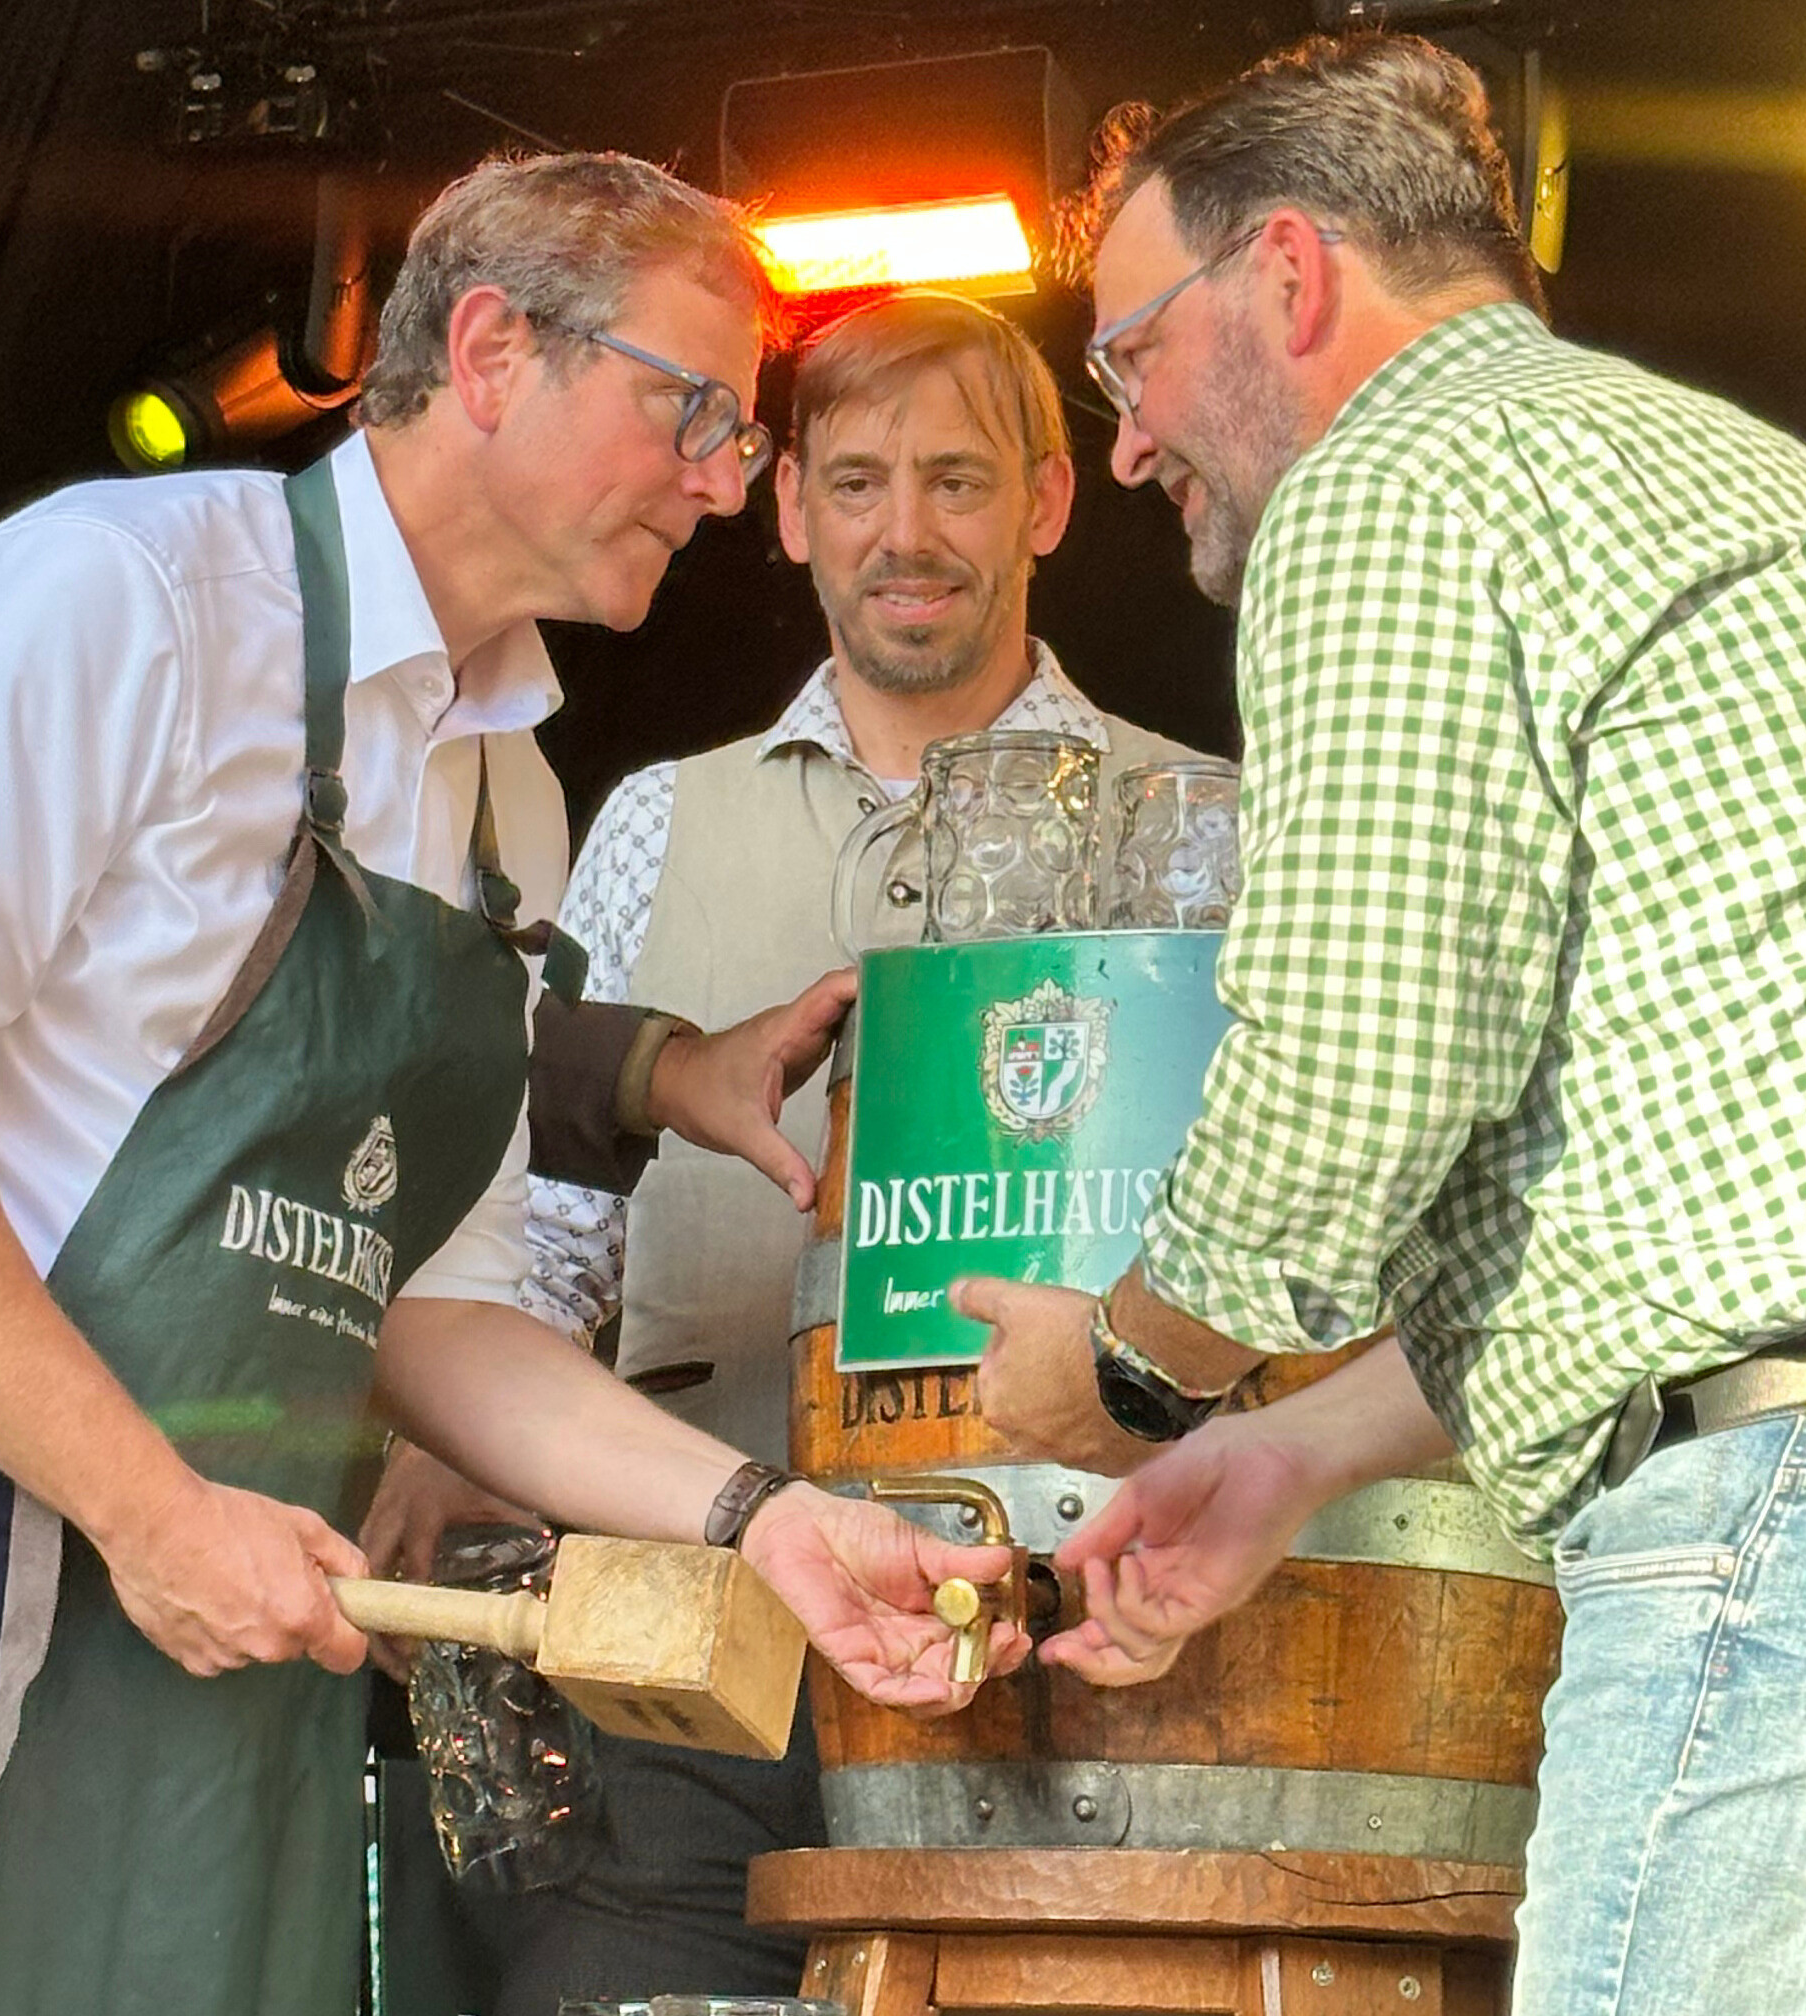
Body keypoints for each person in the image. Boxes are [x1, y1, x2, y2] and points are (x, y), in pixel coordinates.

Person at [0, 150, 1025, 2016]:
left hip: (250, 1560)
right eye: (693, 410)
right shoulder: (124, 601)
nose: (730, 483)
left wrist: (758, 1521)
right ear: (491, 350)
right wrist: (151, 1518)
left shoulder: (511, 796)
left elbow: (439, 1313)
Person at [952, 32, 1806, 2016]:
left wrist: (1137, 1377)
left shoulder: (1395, 480)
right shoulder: (1760, 497)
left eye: (1128, 356)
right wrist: (1288, 1455)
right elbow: (1729, 1219)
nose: (1126, 439)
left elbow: (1355, 1070)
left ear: (1290, 281)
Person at [360, 287, 1217, 2012]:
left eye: (961, 482)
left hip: (1074, 1671)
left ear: (1049, 505)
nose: (907, 533)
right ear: (787, 509)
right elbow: (546, 1237)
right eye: (858, 481)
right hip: (701, 1651)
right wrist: (470, 1426)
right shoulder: (657, 816)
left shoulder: (1206, 824)